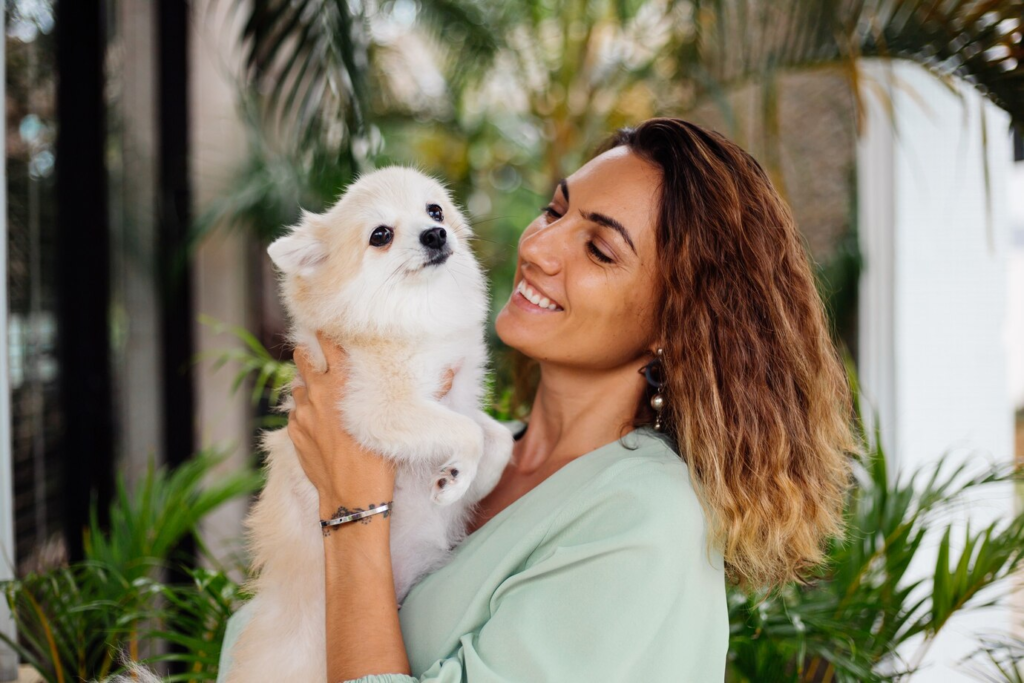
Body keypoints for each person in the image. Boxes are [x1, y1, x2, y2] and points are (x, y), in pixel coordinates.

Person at [217, 118, 859, 682]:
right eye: (555, 212)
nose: (538, 248)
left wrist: (353, 509)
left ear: (679, 322)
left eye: (600, 249)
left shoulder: (646, 520)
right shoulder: (483, 450)